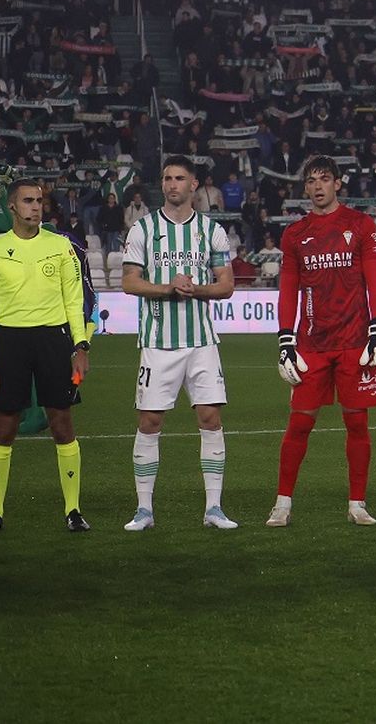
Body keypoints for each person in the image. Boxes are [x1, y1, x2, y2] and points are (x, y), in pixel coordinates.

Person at [268, 156, 376, 527]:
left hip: (355, 343)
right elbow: (288, 289)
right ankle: (282, 504)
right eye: (311, 180)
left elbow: (375, 280)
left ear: (338, 183)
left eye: (324, 179)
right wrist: (286, 341)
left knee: (357, 424)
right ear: (305, 188)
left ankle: (357, 504)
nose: (317, 186)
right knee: (299, 424)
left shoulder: (361, 225)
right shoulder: (295, 234)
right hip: (312, 345)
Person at [119, 155, 239, 531]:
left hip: (202, 342)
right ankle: (144, 510)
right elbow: (129, 282)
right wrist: (169, 289)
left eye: (179, 178)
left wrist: (195, 289)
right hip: (159, 342)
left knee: (210, 418)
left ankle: (214, 508)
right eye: (167, 178)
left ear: (193, 185)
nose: (172, 184)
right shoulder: (143, 229)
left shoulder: (211, 230)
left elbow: (227, 285)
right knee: (150, 421)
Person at [0, 179, 92, 533]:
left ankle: (73, 510)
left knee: (62, 423)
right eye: (28, 201)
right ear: (12, 206)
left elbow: (74, 300)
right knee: (5, 425)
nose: (36, 206)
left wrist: (80, 346)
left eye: (39, 201)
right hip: (10, 341)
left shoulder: (61, 246)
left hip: (53, 340)